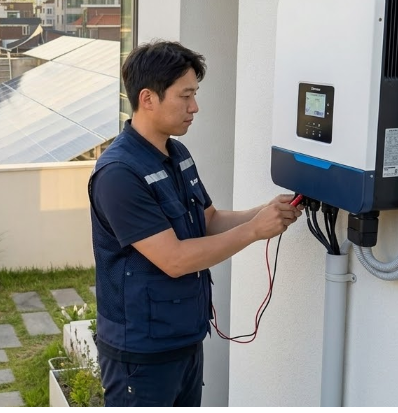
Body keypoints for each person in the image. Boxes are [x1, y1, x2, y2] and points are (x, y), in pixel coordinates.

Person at [88, 40, 302, 407]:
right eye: (185, 96)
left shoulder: (176, 153)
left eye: (195, 94)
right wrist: (254, 231)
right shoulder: (119, 174)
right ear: (148, 99)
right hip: (141, 354)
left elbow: (209, 220)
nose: (195, 107)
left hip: (184, 340)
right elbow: (175, 259)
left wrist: (265, 211)